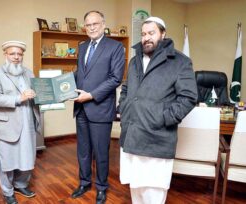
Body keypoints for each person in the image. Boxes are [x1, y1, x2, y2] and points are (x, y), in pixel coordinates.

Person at [119, 17, 198, 204]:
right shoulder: (134, 60)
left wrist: (163, 118)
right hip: (132, 135)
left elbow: (188, 98)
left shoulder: (180, 62)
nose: (146, 38)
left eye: (151, 33)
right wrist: (124, 107)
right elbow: (126, 89)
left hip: (157, 138)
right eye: (144, 34)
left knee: (153, 194)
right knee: (136, 190)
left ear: (163, 34)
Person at [72, 10, 125, 204]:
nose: (92, 27)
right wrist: (62, 86)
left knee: (101, 152)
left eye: (95, 23)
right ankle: (84, 182)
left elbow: (115, 78)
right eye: (88, 24)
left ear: (103, 24)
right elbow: (81, 74)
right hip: (81, 109)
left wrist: (92, 95)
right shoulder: (83, 46)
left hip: (99, 107)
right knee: (83, 151)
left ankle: (102, 187)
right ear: (84, 27)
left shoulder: (116, 47)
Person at [0, 40, 41, 204]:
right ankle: (8, 192)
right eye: (12, 54)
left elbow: (37, 92)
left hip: (28, 121)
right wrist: (20, 97)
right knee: (7, 160)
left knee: (27, 157)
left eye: (19, 54)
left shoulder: (28, 72)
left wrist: (42, 94)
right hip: (7, 124)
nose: (16, 57)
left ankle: (20, 184)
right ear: (5, 55)